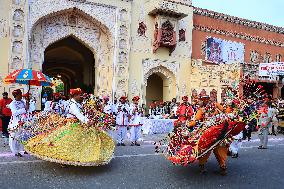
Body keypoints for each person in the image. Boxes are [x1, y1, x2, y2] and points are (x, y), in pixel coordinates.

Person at [24, 88, 115, 166]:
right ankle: (62, 159)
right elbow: (78, 114)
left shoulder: (77, 103)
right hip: (72, 126)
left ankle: (80, 156)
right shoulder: (72, 105)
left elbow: (83, 113)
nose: (81, 97)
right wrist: (87, 121)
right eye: (80, 95)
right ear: (75, 95)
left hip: (79, 124)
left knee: (79, 142)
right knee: (67, 143)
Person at [8, 89, 29, 157]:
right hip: (15, 122)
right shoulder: (12, 103)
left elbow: (28, 108)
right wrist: (24, 109)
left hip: (23, 121)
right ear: (16, 95)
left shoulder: (23, 101)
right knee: (14, 137)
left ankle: (24, 149)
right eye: (20, 94)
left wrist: (28, 102)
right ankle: (15, 151)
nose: (21, 95)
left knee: (23, 136)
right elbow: (15, 112)